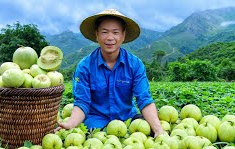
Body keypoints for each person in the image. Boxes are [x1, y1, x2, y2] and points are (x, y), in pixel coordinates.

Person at [56, 9, 164, 137]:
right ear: (97, 35)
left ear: (123, 36)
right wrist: (71, 123)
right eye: (104, 32)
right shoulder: (84, 67)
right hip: (96, 124)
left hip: (128, 120)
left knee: (147, 129)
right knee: (92, 139)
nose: (110, 37)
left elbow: (144, 99)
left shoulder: (135, 64)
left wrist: (158, 129)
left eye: (115, 32)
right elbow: (82, 103)